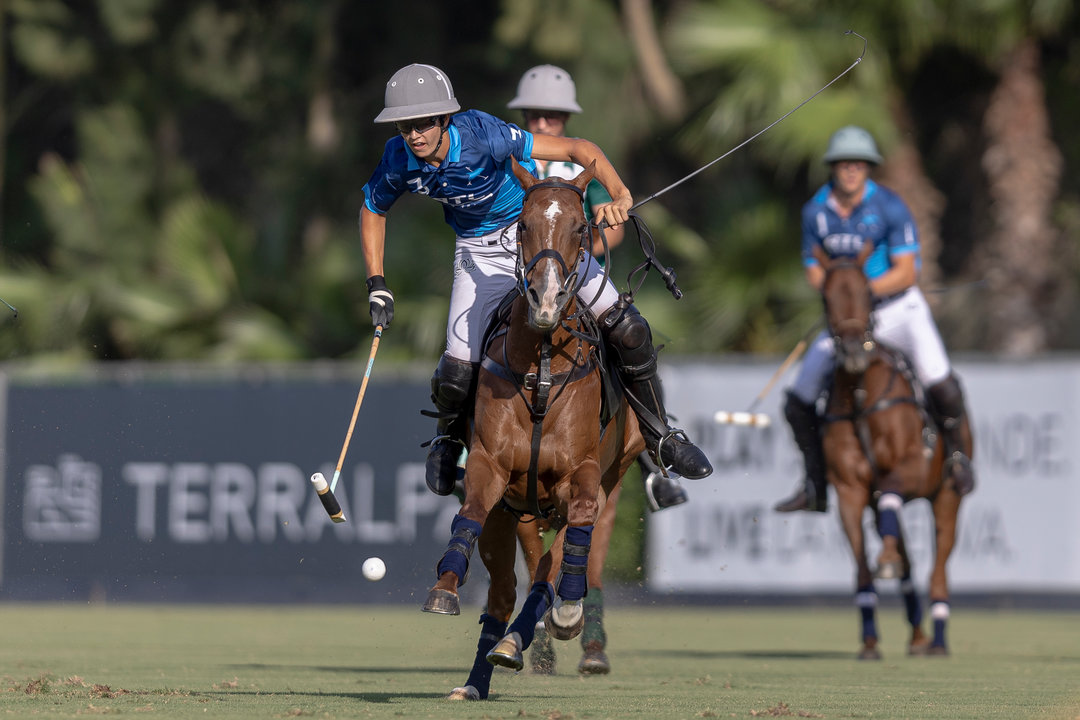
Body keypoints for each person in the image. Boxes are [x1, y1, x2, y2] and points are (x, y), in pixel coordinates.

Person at [360, 63, 713, 506]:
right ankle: (449, 442)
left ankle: (663, 440)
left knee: (630, 329)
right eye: (406, 125)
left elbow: (578, 148)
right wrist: (377, 281)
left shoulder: (484, 134)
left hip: (537, 237)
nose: (415, 134)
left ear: (446, 118)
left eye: (425, 123)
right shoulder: (397, 159)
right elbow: (373, 208)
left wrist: (620, 196)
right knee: (454, 371)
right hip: (477, 251)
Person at [507, 64, 689, 513]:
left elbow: (617, 228)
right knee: (476, 337)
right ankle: (459, 448)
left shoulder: (579, 165)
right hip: (522, 273)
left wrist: (599, 223)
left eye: (553, 116)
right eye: (535, 114)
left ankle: (655, 455)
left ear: (565, 120)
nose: (543, 123)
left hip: (578, 271)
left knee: (626, 338)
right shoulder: (512, 162)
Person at [774, 125, 975, 513]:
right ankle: (815, 483)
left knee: (941, 382)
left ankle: (957, 459)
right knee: (798, 400)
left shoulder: (889, 206)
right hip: (847, 320)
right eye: (843, 164)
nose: (851, 171)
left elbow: (906, 271)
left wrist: (861, 290)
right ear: (833, 168)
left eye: (858, 164)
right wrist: (839, 295)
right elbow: (813, 267)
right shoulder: (815, 211)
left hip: (898, 311)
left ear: (868, 169)